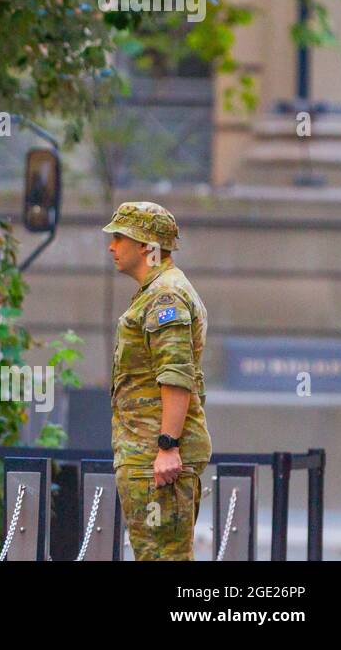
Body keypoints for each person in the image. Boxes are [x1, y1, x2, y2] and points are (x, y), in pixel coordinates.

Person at [105, 201, 212, 560]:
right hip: (147, 453)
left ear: (147, 247)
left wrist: (167, 446)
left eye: (120, 238)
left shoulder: (164, 296)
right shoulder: (155, 291)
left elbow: (176, 374)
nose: (111, 246)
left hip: (157, 456)